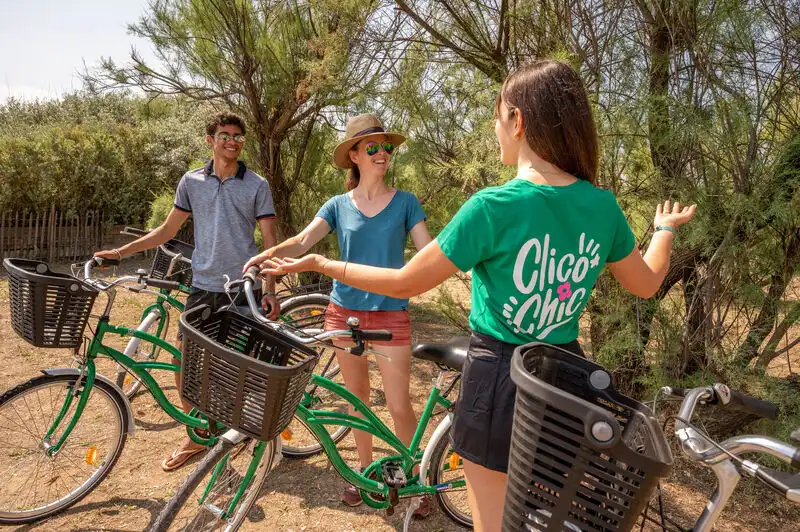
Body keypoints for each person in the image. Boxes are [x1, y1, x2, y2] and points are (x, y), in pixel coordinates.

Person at [252, 61, 696, 531]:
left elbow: (406, 282)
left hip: (500, 376)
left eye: (499, 115)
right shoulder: (601, 205)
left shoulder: (492, 207)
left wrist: (323, 264)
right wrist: (663, 230)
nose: (495, 127)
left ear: (518, 121)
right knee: (544, 515)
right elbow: (647, 284)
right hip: (568, 376)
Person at [243, 113, 434, 515]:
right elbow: (301, 241)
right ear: (354, 155)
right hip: (343, 314)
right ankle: (363, 476)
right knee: (357, 401)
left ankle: (416, 482)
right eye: (373, 147)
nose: (382, 153)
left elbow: (426, 252)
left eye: (387, 147)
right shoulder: (337, 205)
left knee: (399, 405)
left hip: (390, 316)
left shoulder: (406, 203)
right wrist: (265, 256)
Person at [94, 111, 281, 471]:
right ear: (210, 141)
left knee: (232, 370)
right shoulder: (192, 181)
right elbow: (166, 231)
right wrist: (120, 252)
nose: (232, 141)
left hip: (241, 289)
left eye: (238, 136)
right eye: (224, 135)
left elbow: (270, 241)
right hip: (202, 286)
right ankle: (199, 435)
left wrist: (270, 289)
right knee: (185, 366)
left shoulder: (257, 185)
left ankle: (235, 435)